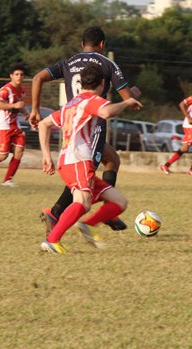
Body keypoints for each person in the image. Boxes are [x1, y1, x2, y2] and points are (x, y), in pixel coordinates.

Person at [30, 26, 141, 233]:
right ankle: (56, 212)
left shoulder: (68, 63)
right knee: (84, 174)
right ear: (102, 45)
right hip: (93, 125)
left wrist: (35, 110)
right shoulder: (107, 63)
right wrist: (133, 95)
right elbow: (128, 100)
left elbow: (37, 78)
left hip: (73, 121)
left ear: (82, 45)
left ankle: (110, 211)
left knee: (112, 160)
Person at [37, 63, 142, 254]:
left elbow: (43, 124)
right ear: (102, 83)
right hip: (78, 160)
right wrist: (127, 101)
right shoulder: (92, 100)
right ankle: (52, 240)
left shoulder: (72, 103)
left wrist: (46, 155)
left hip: (70, 161)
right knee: (83, 202)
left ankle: (88, 225)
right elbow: (106, 112)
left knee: (119, 202)